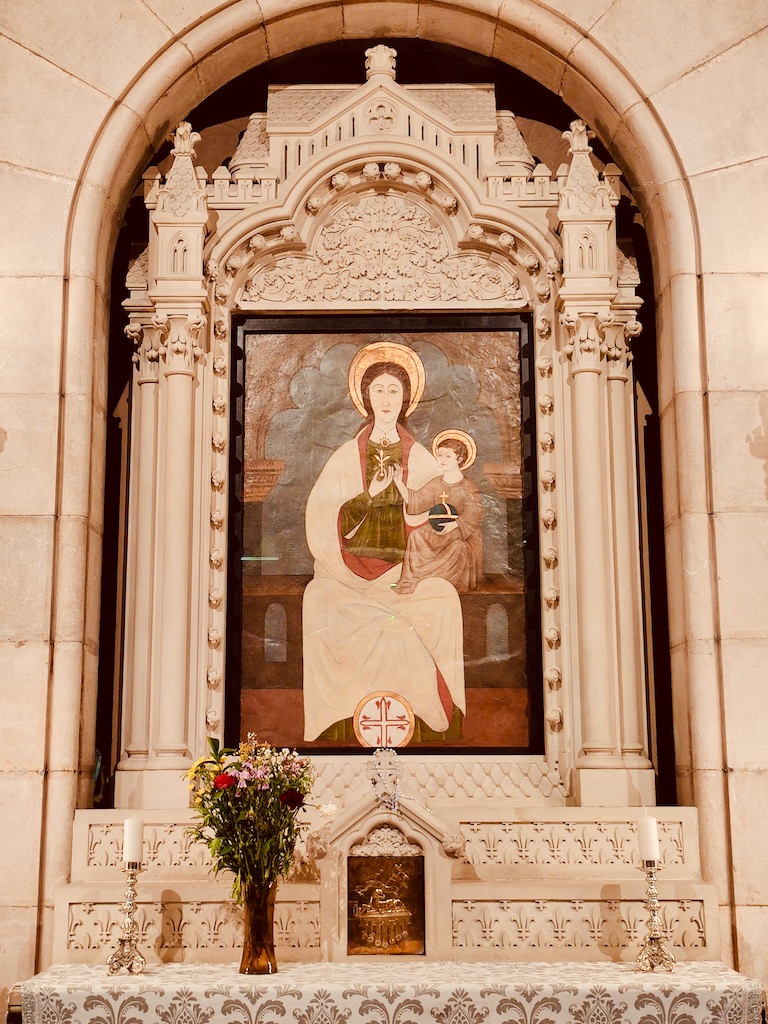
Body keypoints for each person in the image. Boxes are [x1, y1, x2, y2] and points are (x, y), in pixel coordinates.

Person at [302, 342, 466, 741]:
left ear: (405, 399)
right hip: (350, 576)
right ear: (367, 398)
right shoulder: (344, 458)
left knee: (444, 598)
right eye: (379, 391)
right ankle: (337, 719)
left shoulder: (424, 460)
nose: (386, 399)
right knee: (317, 598)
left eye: (394, 391)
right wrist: (369, 496)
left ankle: (434, 721)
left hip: (403, 577)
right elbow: (322, 521)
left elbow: (441, 516)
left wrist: (436, 524)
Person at [393, 430, 483, 594]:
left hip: (461, 534)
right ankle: (414, 581)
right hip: (438, 531)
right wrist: (399, 483)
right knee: (415, 536)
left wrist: (456, 524)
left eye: (448, 456)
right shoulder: (435, 483)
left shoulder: (468, 487)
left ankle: (441, 584)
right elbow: (416, 500)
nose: (442, 459)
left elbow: (474, 514)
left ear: (460, 459)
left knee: (457, 548)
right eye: (439, 455)